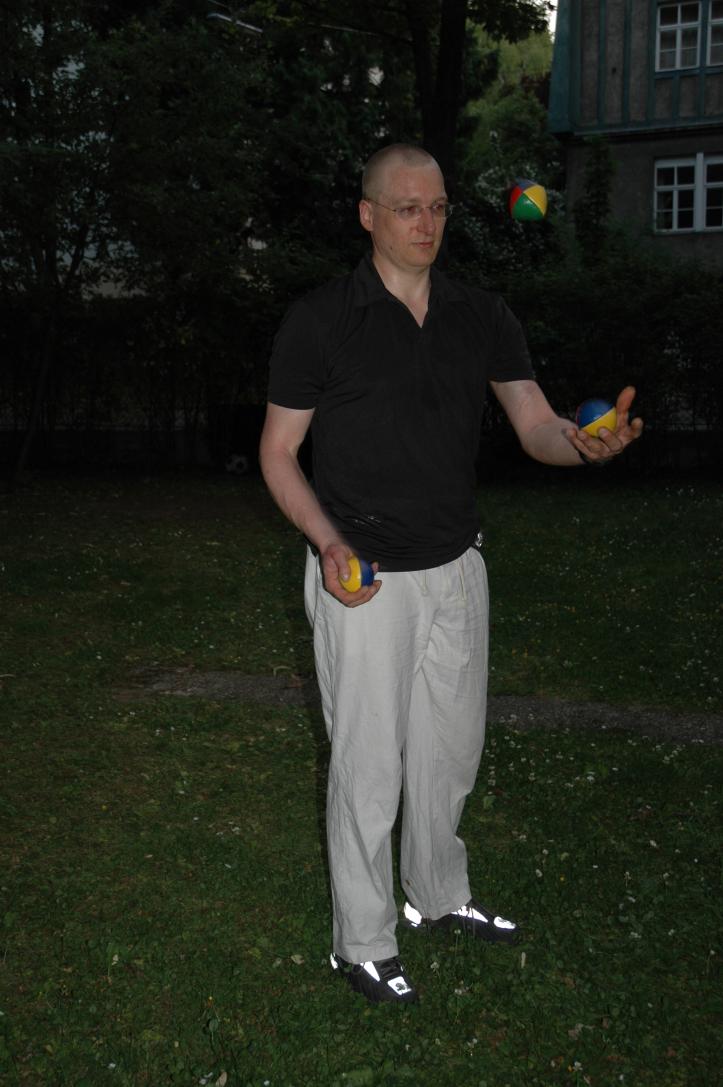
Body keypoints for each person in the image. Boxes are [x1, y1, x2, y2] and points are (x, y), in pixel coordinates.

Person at [259, 143, 643, 1005]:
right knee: (368, 766)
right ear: (368, 215)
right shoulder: (321, 319)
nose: (425, 223)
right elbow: (278, 452)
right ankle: (361, 942)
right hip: (363, 574)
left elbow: (535, 425)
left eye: (436, 207)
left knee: (449, 753)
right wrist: (326, 542)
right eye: (406, 208)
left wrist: (582, 445)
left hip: (457, 564)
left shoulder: (480, 314)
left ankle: (436, 894)